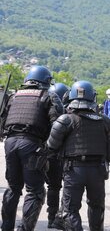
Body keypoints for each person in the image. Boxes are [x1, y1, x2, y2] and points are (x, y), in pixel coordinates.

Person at [46, 80, 110, 230]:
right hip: (97, 171)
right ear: (92, 97)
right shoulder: (104, 121)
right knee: (97, 207)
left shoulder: (65, 119)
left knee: (70, 210)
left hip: (73, 171)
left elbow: (51, 146)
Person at [1, 65, 64, 230]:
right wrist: (49, 149)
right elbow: (58, 125)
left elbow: (2, 122)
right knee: (35, 191)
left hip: (10, 143)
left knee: (13, 187)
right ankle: (24, 229)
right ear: (46, 81)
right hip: (31, 145)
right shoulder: (48, 96)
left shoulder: (14, 96)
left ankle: (6, 227)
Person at [46, 82, 70, 228]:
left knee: (53, 187)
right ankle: (61, 217)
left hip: (50, 153)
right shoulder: (71, 111)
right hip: (65, 154)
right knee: (67, 187)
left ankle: (51, 218)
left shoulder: (45, 108)